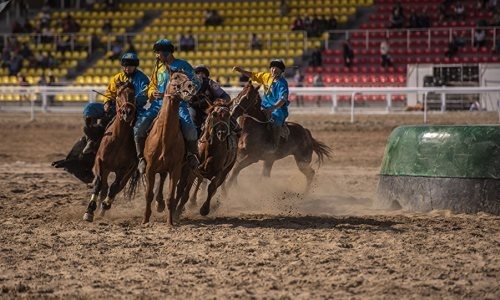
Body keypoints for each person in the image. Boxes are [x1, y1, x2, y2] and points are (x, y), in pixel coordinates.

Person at [135, 39, 200, 173]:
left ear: (165, 53)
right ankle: (141, 158)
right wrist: (153, 92)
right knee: (138, 127)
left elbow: (195, 83)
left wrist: (188, 92)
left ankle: (192, 155)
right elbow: (152, 85)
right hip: (157, 105)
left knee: (190, 129)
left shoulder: (183, 66)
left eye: (158, 53)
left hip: (179, 106)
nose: (156, 56)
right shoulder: (158, 68)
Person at [81, 52, 150, 154]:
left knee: (144, 124)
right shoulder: (117, 78)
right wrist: (107, 102)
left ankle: (140, 152)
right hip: (116, 107)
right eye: (125, 66)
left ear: (135, 66)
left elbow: (144, 96)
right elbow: (110, 92)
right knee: (89, 108)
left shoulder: (143, 79)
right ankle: (91, 139)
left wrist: (129, 103)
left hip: (134, 109)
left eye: (130, 66)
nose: (127, 68)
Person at [232, 59, 290, 153]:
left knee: (276, 119)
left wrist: (272, 109)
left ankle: (274, 145)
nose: (274, 70)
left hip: (278, 108)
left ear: (281, 71)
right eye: (272, 67)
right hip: (264, 105)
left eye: (277, 68)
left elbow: (283, 99)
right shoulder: (265, 76)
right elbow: (253, 75)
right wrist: (241, 71)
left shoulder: (283, 83)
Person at [190, 64, 231, 131]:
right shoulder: (189, 84)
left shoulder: (211, 83)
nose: (200, 75)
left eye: (203, 73)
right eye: (198, 73)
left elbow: (226, 97)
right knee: (191, 123)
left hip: (210, 109)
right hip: (194, 108)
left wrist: (216, 103)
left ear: (206, 75)